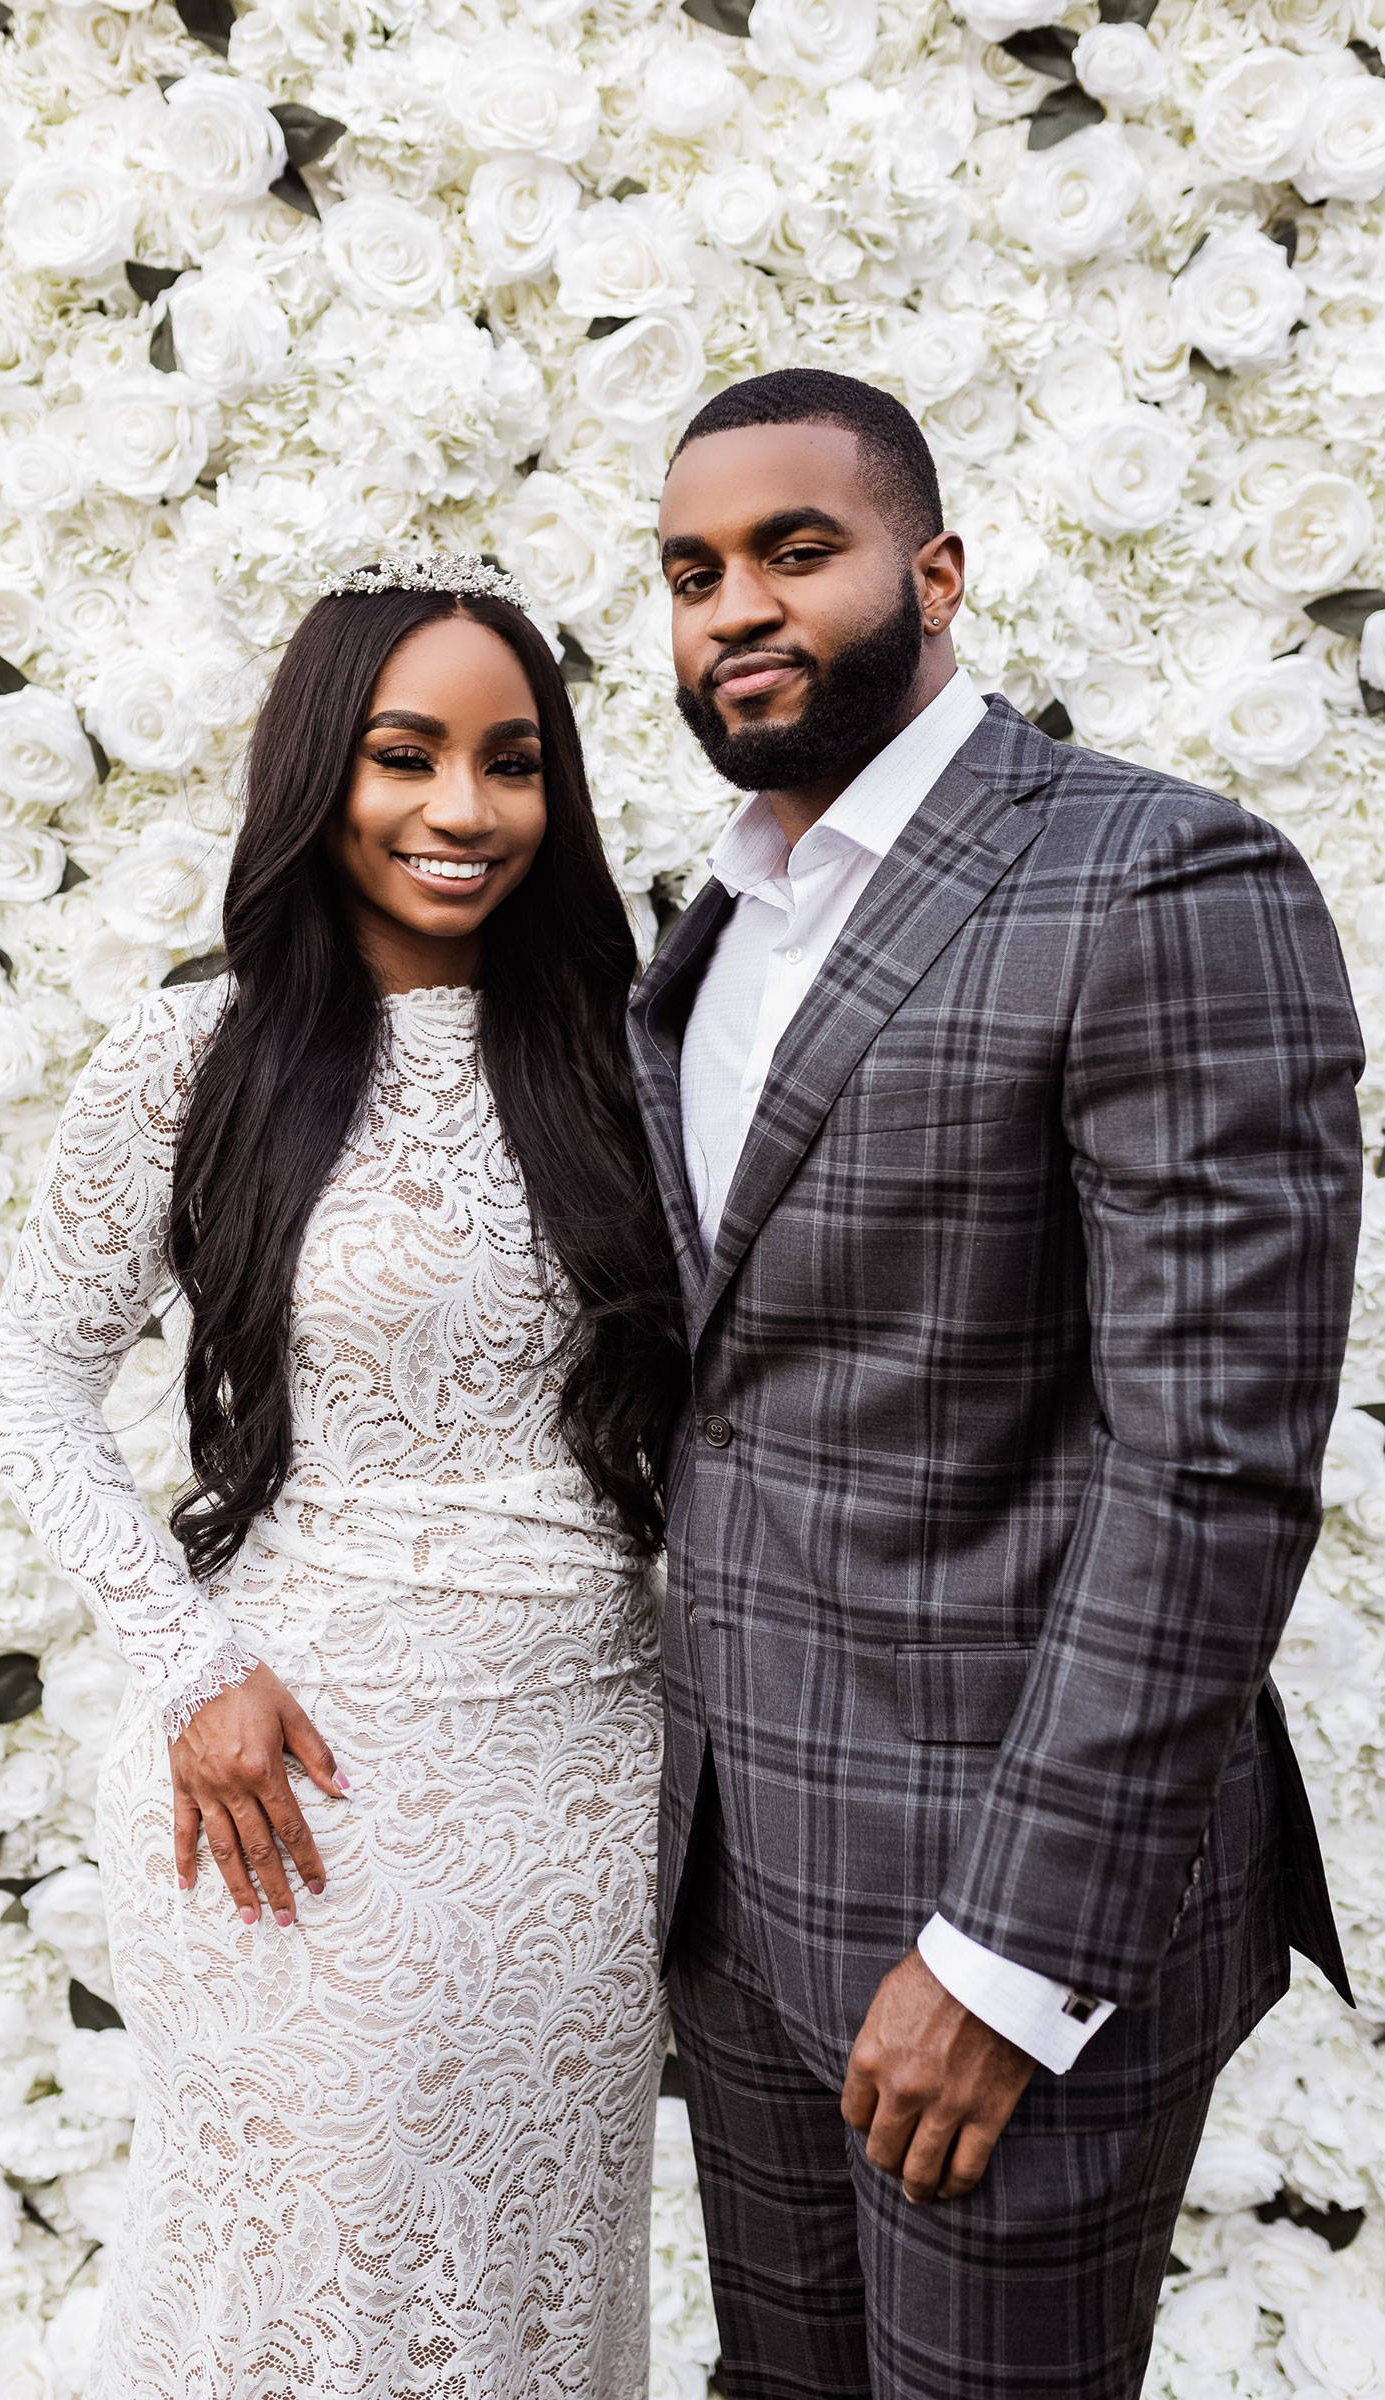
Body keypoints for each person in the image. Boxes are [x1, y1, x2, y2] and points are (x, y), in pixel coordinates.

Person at [628, 370, 1363, 2400]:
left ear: (930, 571)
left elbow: (1205, 1475)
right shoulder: (711, 926)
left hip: (985, 1928)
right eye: (689, 572)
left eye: (794, 549)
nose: (733, 608)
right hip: (742, 1891)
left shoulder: (1158, 885)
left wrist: (1002, 1961)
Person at [0, 556, 685, 2400]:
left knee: (531, 2276)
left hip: (587, 1781)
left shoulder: (632, 1050)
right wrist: (191, 1669)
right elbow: (33, 1377)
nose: (464, 809)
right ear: (321, 773)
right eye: (405, 754)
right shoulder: (194, 1054)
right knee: (319, 2278)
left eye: (512, 761)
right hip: (302, 1774)